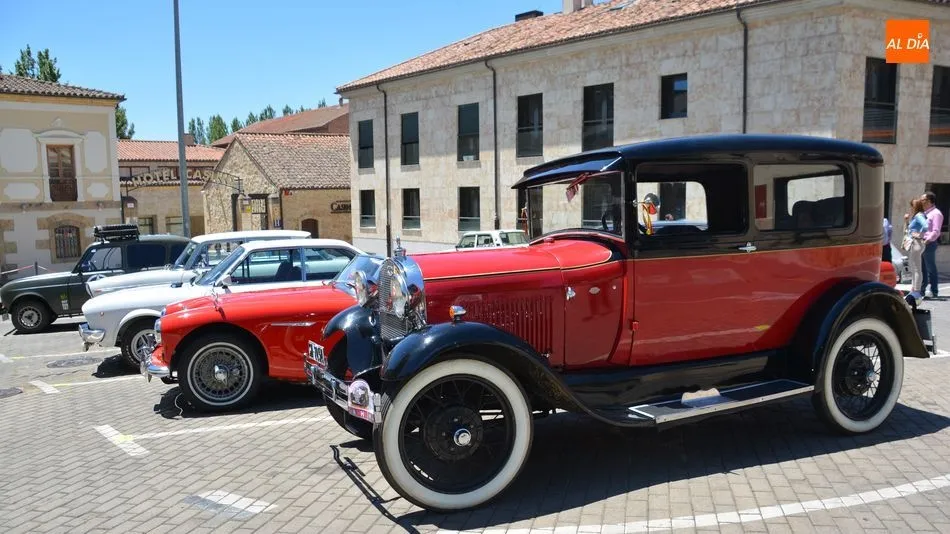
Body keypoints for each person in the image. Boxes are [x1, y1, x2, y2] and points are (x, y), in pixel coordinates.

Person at [920, 191, 944, 299]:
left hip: (928, 243)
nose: (921, 202)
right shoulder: (925, 214)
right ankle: (922, 290)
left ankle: (934, 291)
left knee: (930, 268)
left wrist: (927, 240)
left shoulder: (936, 213)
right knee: (922, 268)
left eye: (923, 200)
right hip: (920, 242)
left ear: (929, 201)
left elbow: (936, 231)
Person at [904, 199, 928, 300]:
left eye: (912, 206)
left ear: (916, 206)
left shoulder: (919, 215)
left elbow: (926, 226)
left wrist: (919, 234)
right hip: (915, 243)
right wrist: (907, 221)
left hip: (916, 243)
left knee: (917, 268)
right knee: (914, 268)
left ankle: (916, 291)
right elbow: (911, 229)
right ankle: (914, 289)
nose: (911, 208)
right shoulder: (918, 215)